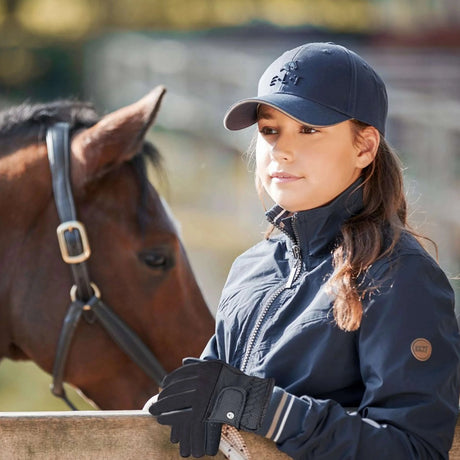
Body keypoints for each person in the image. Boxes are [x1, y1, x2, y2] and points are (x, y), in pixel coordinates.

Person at [145, 42, 460, 459]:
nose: (281, 149)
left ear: (364, 147)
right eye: (269, 130)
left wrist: (267, 410)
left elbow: (413, 448)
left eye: (309, 129)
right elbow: (212, 396)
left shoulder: (399, 275)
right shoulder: (250, 269)